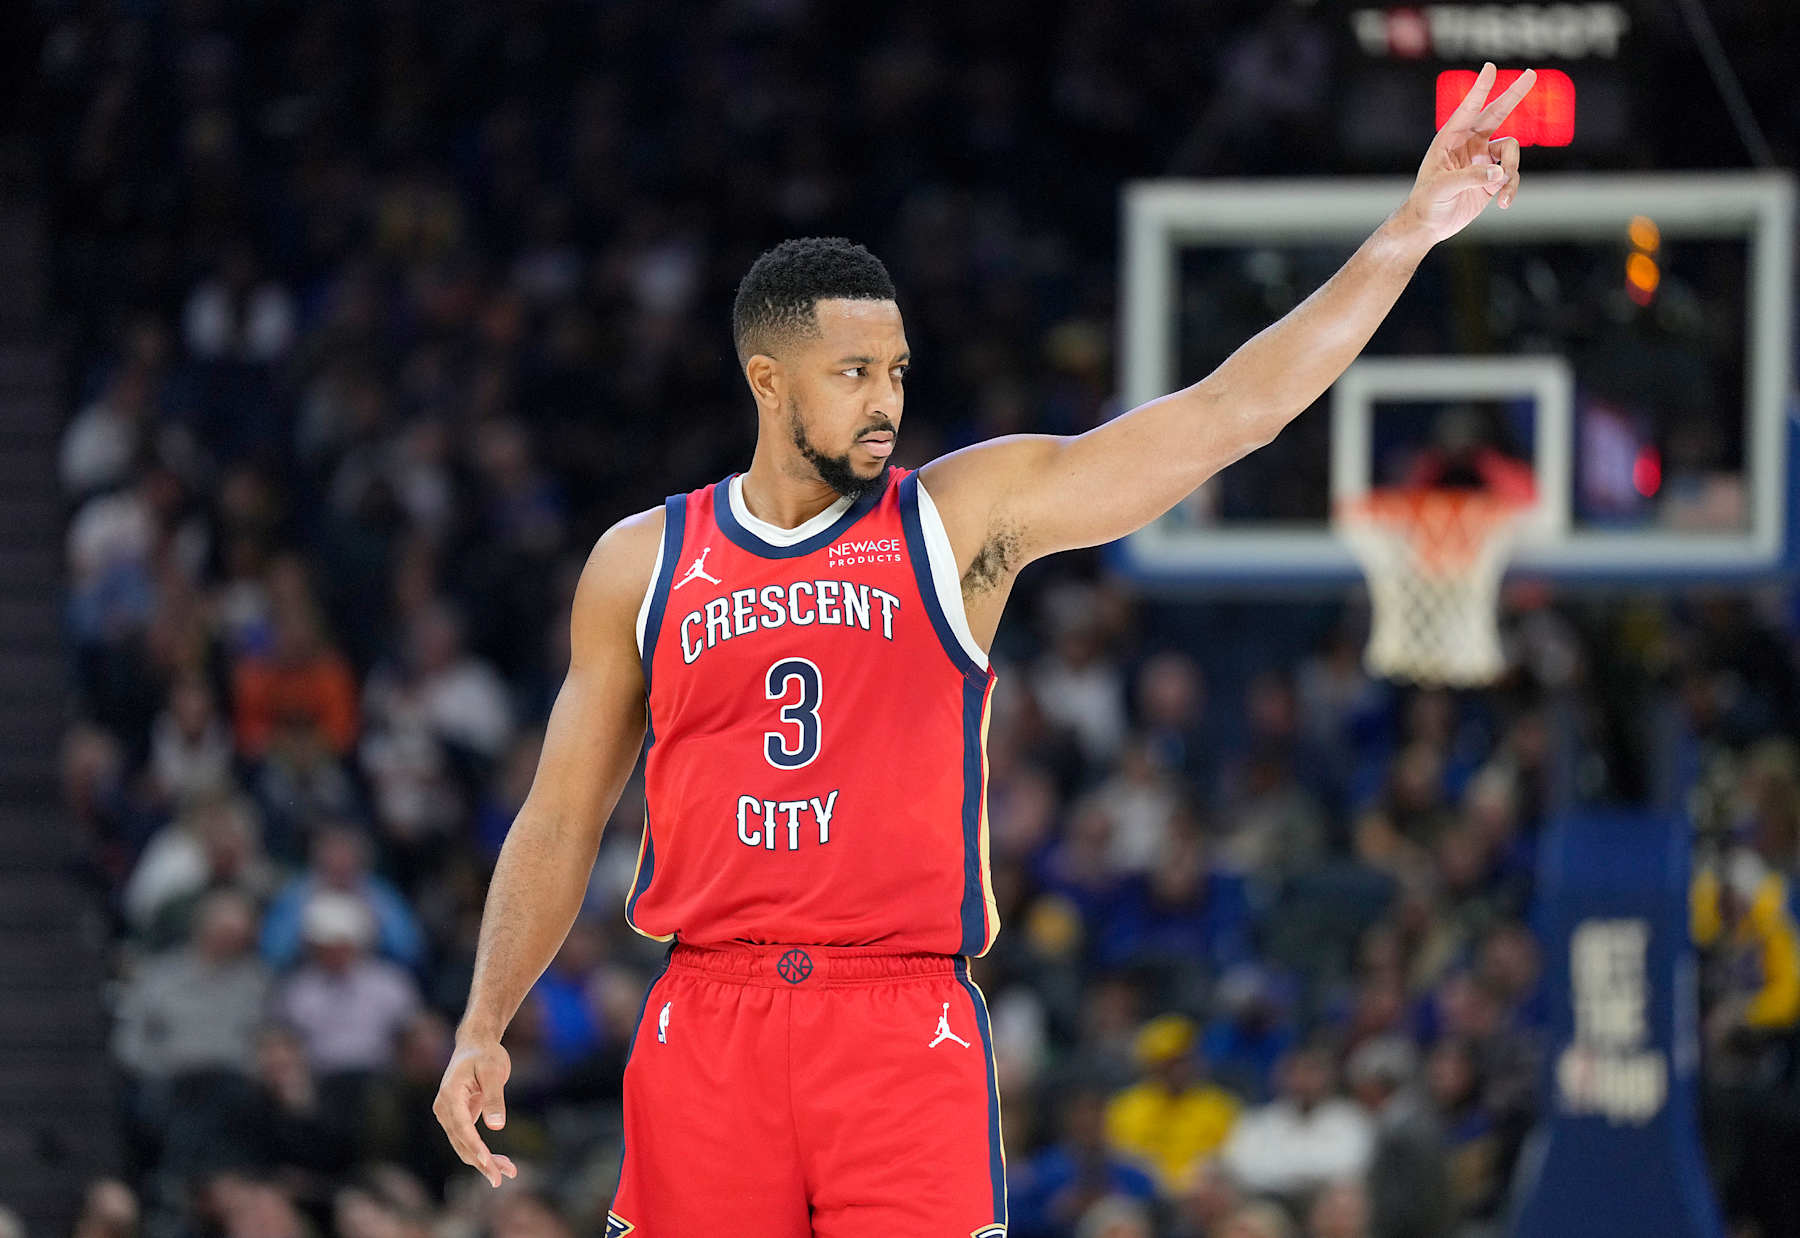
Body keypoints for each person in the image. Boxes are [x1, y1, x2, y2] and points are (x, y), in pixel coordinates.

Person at [434, 64, 1537, 1237]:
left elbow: (1226, 414)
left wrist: (1408, 232)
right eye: (854, 372)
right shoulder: (640, 562)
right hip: (708, 1014)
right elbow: (558, 817)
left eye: (897, 370)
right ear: (769, 380)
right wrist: (482, 1018)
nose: (886, 399)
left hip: (901, 1021)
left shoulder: (958, 518)